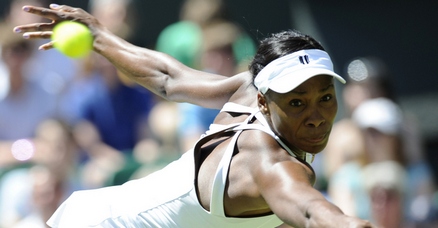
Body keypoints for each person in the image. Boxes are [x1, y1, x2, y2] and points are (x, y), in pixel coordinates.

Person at [14, 4, 375, 227]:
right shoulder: (270, 164)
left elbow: (170, 79)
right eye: (297, 102)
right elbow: (311, 212)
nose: (316, 116)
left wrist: (100, 38)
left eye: (325, 97)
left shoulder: (250, 91)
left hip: (91, 214)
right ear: (264, 101)